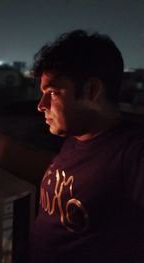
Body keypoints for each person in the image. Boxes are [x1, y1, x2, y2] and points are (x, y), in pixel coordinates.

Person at [28, 29, 144, 262]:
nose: (41, 105)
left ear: (92, 91)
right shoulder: (74, 140)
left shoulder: (133, 154)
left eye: (53, 92)